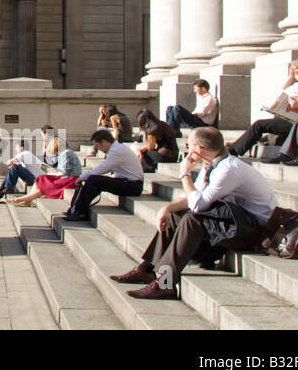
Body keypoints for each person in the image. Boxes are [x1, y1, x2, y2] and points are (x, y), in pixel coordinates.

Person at [112, 127, 276, 299]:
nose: (187, 150)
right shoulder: (213, 164)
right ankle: (146, 269)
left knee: (192, 220)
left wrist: (185, 173)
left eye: (189, 146)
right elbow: (192, 196)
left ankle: (165, 284)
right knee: (175, 216)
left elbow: (197, 205)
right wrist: (167, 209)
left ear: (198, 149)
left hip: (257, 232)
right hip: (236, 223)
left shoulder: (228, 169)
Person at [227, 60, 298, 157]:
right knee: (277, 121)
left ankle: (235, 149)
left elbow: (280, 97)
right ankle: (269, 140)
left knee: (259, 125)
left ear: (292, 71)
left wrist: (290, 78)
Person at [62, 128, 143, 221]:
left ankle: (79, 210)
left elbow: (102, 168)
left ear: (104, 142)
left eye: (97, 146)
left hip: (133, 186)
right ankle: (76, 209)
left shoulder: (117, 151)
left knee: (94, 180)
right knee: (94, 180)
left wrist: (82, 177)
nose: (98, 149)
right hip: (128, 182)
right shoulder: (116, 149)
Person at [8, 137, 84, 208]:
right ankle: (24, 200)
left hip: (69, 179)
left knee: (43, 182)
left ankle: (21, 200)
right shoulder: (65, 152)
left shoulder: (65, 153)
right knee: (41, 179)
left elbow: (63, 172)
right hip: (69, 178)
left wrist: (51, 174)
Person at [135, 108, 179, 172]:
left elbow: (150, 147)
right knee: (142, 153)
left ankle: (145, 169)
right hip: (174, 155)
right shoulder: (162, 124)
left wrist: (145, 133)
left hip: (164, 155)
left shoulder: (152, 130)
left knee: (143, 155)